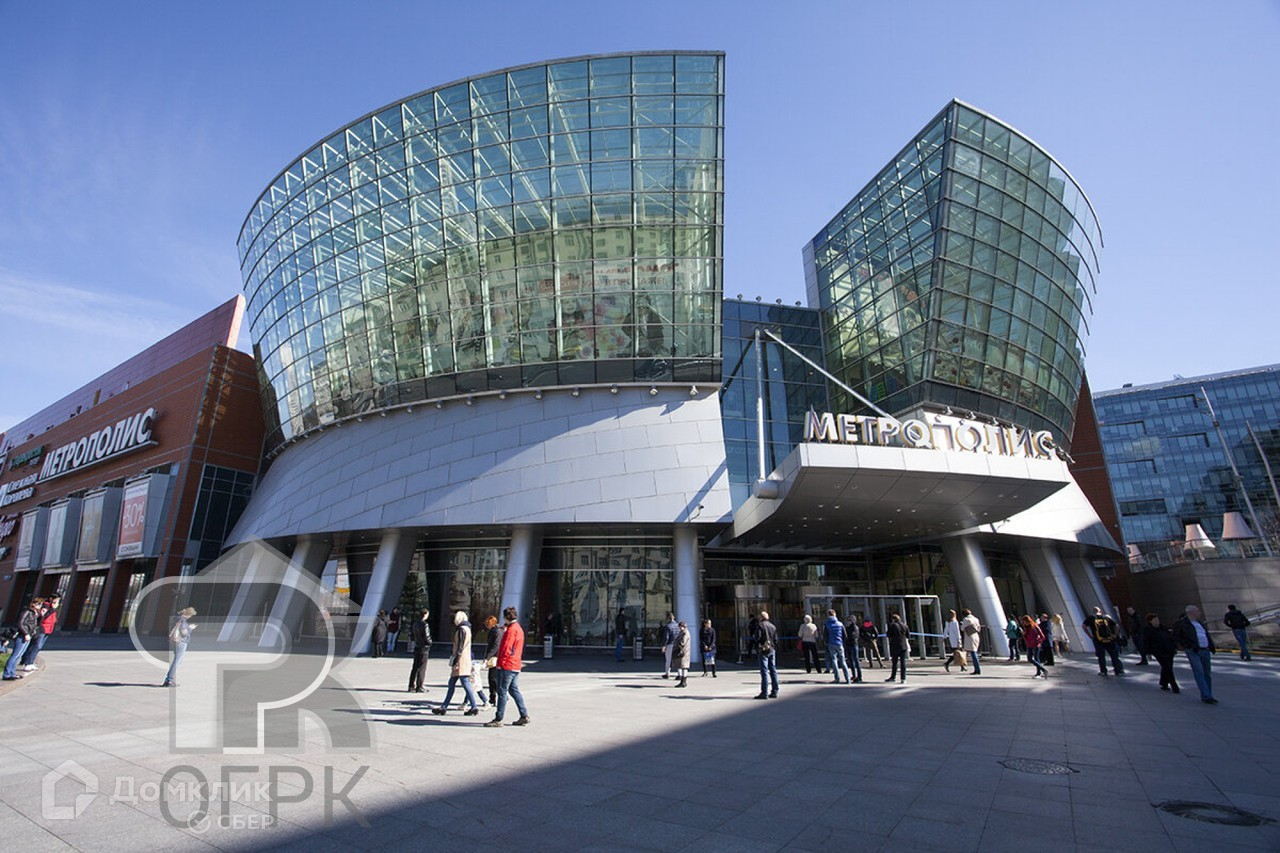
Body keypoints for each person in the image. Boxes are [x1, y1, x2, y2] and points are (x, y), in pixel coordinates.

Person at [485, 606, 530, 727]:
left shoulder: (510, 631)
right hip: (515, 664)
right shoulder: (518, 628)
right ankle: (524, 714)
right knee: (513, 689)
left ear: (506, 617)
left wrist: (500, 664)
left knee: (502, 691)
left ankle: (498, 718)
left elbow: (506, 649)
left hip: (507, 664)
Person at [431, 611, 481, 716]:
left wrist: (456, 661)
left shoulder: (462, 630)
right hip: (464, 659)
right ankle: (445, 707)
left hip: (461, 660)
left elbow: (460, 647)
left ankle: (473, 706)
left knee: (462, 683)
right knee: (454, 683)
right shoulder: (467, 629)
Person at [1173, 605, 1217, 704]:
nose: (1199, 613)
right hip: (1194, 650)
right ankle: (1206, 695)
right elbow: (1176, 637)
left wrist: (1211, 646)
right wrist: (1185, 646)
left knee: (1207, 673)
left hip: (1205, 649)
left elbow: (1206, 635)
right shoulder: (1182, 624)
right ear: (1191, 613)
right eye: (1197, 611)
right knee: (1199, 672)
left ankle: (1208, 694)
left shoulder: (1199, 623)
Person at [3, 599, 42, 681]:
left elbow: (35, 624)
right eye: (38, 604)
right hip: (22, 636)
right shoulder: (26, 611)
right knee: (15, 655)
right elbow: (20, 623)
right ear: (33, 604)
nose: (39, 606)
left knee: (19, 655)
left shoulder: (35, 613)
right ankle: (6, 674)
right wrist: (25, 633)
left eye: (40, 604)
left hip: (28, 635)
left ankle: (12, 673)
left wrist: (41, 616)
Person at [19, 594, 60, 671]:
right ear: (51, 599)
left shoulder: (51, 608)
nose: (57, 603)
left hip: (48, 629)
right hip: (42, 628)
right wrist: (52, 609)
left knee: (37, 646)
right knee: (36, 645)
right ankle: (28, 662)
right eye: (56, 601)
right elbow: (43, 617)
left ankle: (29, 661)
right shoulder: (45, 606)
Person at [1144, 613, 1180, 694]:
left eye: (1157, 619)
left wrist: (1174, 647)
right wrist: (1148, 653)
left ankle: (1164, 683)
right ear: (1150, 621)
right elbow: (1146, 642)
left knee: (1167, 667)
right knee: (1167, 667)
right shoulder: (1148, 630)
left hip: (1169, 650)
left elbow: (1171, 638)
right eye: (1155, 620)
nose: (1157, 621)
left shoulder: (1164, 628)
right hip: (1158, 651)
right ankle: (1174, 686)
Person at [1083, 606, 1124, 676]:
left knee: (1101, 656)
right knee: (1113, 655)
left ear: (1093, 612)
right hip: (1109, 639)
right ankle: (1117, 670)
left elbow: (1083, 626)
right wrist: (1115, 635)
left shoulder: (1091, 618)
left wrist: (1090, 635)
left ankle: (1103, 671)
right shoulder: (1106, 617)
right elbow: (1116, 625)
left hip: (1098, 640)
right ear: (1100, 611)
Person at [162, 607, 197, 687]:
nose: (190, 617)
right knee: (177, 661)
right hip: (181, 642)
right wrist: (190, 628)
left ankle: (168, 679)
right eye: (191, 615)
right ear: (188, 614)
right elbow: (184, 633)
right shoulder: (183, 621)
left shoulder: (176, 618)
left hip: (175, 642)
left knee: (177, 660)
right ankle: (169, 680)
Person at [753, 610, 779, 699]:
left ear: (761, 618)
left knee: (764, 671)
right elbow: (776, 639)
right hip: (772, 649)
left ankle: (764, 692)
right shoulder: (773, 626)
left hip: (763, 650)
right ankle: (775, 690)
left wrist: (758, 644)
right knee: (773, 669)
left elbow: (757, 637)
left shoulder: (760, 625)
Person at [407, 608, 432, 693]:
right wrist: (429, 642)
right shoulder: (425, 625)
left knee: (415, 667)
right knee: (422, 667)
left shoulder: (415, 624)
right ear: (425, 614)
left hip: (417, 646)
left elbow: (412, 636)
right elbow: (427, 637)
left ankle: (411, 685)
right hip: (423, 648)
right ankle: (419, 686)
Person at [824, 610, 851, 684]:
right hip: (839, 643)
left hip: (831, 643)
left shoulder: (827, 624)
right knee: (843, 661)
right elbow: (845, 635)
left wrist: (826, 643)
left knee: (834, 660)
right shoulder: (840, 624)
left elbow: (825, 635)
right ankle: (848, 678)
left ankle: (837, 678)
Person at [483, 614, 503, 705]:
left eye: (488, 624)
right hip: (494, 656)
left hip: (495, 657)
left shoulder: (496, 631)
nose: (487, 626)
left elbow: (495, 646)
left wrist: (488, 657)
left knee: (493, 678)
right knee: (493, 678)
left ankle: (495, 697)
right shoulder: (494, 631)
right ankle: (495, 696)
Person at [885, 613, 910, 683]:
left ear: (893, 619)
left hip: (895, 645)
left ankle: (893, 677)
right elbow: (908, 635)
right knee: (903, 662)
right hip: (903, 645)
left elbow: (888, 634)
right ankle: (903, 678)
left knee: (895, 662)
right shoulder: (905, 625)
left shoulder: (892, 625)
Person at [960, 609, 982, 674]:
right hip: (976, 635)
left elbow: (962, 628)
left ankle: (977, 669)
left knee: (973, 653)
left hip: (970, 636)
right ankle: (977, 668)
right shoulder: (976, 619)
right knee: (974, 651)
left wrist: (962, 624)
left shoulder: (966, 619)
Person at [842, 614, 863, 683]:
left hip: (853, 645)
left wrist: (848, 638)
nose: (848, 622)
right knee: (851, 661)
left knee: (856, 660)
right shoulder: (848, 628)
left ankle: (859, 676)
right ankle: (854, 675)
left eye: (850, 620)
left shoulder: (855, 627)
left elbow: (853, 636)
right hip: (849, 645)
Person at [672, 621, 691, 687]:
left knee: (684, 667)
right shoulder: (682, 632)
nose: (679, 628)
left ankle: (683, 682)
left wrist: (677, 645)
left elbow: (682, 642)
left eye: (680, 626)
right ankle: (682, 681)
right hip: (683, 652)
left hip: (683, 652)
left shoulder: (685, 633)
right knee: (682, 667)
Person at [661, 612, 678, 679]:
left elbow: (666, 637)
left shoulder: (667, 626)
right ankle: (679, 674)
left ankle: (667, 673)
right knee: (677, 659)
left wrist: (663, 646)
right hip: (677, 644)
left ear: (668, 618)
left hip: (670, 644)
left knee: (668, 659)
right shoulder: (678, 626)